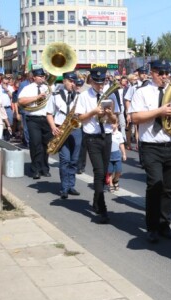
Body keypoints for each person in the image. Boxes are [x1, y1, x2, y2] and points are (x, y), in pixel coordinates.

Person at [130, 60, 171, 243]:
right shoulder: (142, 92)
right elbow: (135, 117)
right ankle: (152, 226)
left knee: (169, 188)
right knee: (155, 185)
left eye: (167, 73)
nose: (165, 76)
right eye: (161, 73)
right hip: (151, 146)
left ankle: (164, 223)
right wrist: (160, 111)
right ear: (152, 73)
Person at [75, 67, 118, 224]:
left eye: (103, 82)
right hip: (92, 137)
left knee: (104, 172)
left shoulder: (110, 94)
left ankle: (96, 200)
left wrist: (110, 114)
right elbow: (80, 118)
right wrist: (94, 112)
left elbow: (115, 121)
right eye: (98, 82)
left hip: (106, 136)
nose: (101, 86)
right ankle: (102, 209)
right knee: (99, 172)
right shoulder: (84, 96)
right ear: (91, 81)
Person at [46, 71, 82, 199]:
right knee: (65, 159)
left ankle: (71, 185)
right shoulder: (55, 95)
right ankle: (64, 187)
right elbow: (49, 113)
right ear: (65, 81)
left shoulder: (79, 95)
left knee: (74, 160)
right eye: (70, 81)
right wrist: (53, 127)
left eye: (74, 81)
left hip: (76, 129)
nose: (73, 84)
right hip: (61, 128)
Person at [17, 68, 53, 179]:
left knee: (46, 145)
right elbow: (21, 101)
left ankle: (44, 168)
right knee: (35, 144)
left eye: (43, 76)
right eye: (40, 76)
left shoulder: (47, 88)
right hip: (33, 119)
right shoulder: (28, 88)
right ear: (34, 78)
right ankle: (35, 169)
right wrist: (37, 97)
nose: (42, 78)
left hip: (46, 118)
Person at [107, 123, 126, 193]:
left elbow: (121, 144)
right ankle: (111, 184)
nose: (112, 125)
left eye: (114, 123)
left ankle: (115, 180)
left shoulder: (119, 134)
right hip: (109, 155)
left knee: (119, 170)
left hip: (117, 154)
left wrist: (124, 154)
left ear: (117, 124)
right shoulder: (108, 133)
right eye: (111, 123)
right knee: (110, 171)